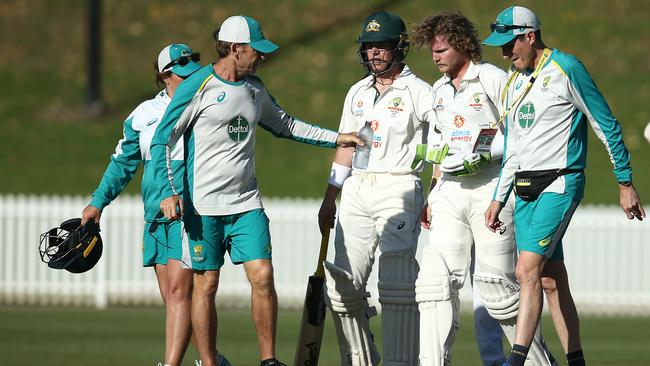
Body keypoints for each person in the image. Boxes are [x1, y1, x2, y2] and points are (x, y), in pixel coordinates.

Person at [149, 15, 362, 366]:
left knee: (263, 275)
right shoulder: (197, 87)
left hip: (246, 203)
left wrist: (336, 138)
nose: (261, 57)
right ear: (235, 49)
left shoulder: (255, 88)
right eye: (255, 51)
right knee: (206, 285)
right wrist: (168, 193)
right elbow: (162, 140)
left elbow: (287, 125)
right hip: (202, 207)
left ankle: (268, 360)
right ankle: (209, 362)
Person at [482, 6, 646, 366]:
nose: (505, 54)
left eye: (510, 45)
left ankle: (517, 360)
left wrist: (625, 182)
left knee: (526, 270)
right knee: (551, 281)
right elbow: (513, 149)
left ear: (529, 36)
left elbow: (606, 124)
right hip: (524, 187)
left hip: (560, 183)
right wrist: (499, 197)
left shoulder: (567, 68)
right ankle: (577, 361)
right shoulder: (513, 81)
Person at [412, 12, 556, 366]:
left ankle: (533, 361)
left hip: (491, 190)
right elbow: (440, 146)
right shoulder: (438, 91)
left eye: (442, 49)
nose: (436, 57)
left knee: (496, 287)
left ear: (462, 45)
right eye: (433, 50)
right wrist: (432, 192)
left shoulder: (492, 78)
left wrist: (482, 155)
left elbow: (520, 135)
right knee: (436, 283)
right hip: (450, 192)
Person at [79, 44, 227, 366]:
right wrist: (98, 202)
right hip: (155, 217)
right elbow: (123, 163)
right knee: (173, 298)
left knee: (178, 293)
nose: (188, 81)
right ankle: (211, 358)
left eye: (192, 74)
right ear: (164, 77)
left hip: (190, 213)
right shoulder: (143, 115)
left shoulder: (207, 106)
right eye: (179, 76)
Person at [317, 11, 434, 366]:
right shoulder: (357, 92)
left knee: (396, 282)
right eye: (368, 48)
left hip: (399, 185)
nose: (374, 54)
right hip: (356, 188)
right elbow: (346, 146)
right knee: (340, 287)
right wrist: (329, 197)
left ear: (399, 47)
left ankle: (402, 361)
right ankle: (359, 359)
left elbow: (440, 145)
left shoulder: (420, 92)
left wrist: (436, 189)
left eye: (382, 47)